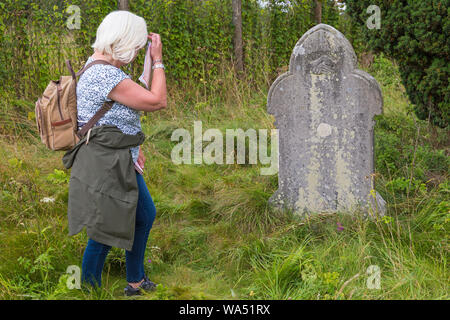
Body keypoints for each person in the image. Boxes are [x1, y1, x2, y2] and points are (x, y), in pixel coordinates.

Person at [75, 10, 167, 296]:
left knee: (144, 214)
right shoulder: (104, 74)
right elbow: (156, 100)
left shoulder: (102, 67)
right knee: (105, 229)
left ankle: (135, 281)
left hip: (118, 157)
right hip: (108, 163)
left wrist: (133, 147)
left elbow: (117, 112)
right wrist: (159, 60)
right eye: (137, 45)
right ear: (124, 40)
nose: (139, 51)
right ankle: (90, 290)